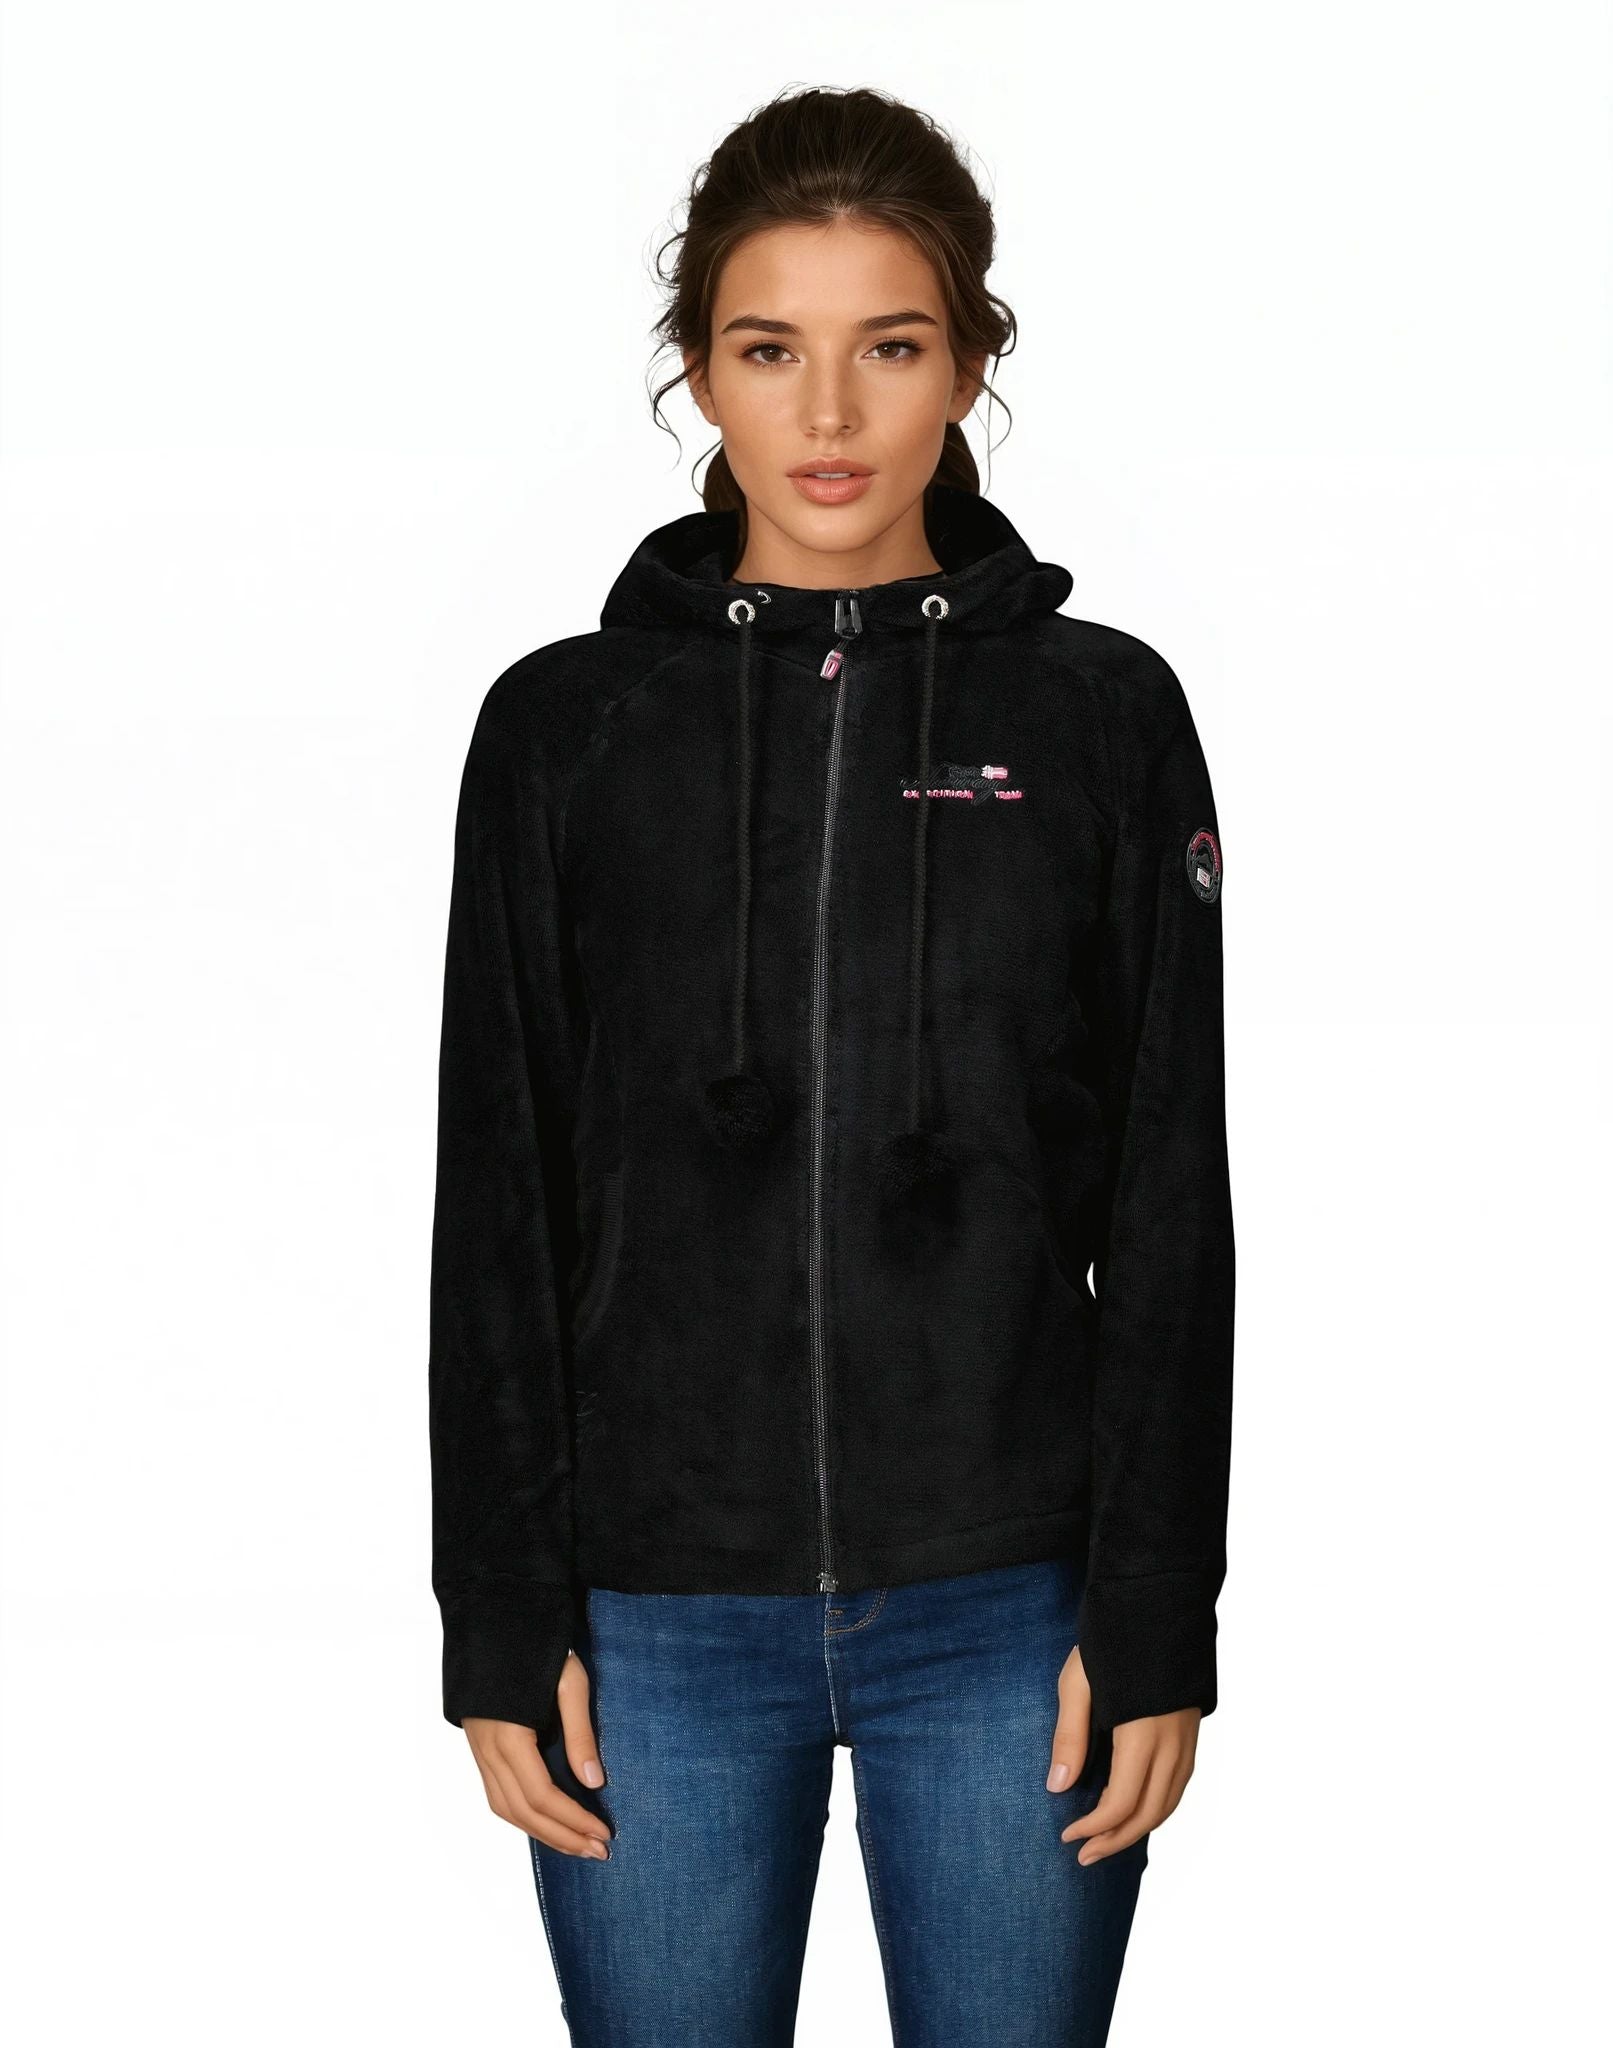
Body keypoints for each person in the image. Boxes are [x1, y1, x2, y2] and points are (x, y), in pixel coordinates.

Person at [428, 84, 1235, 2048]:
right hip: (653, 1616)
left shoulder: (1102, 716)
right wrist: (499, 1608)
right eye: (769, 349)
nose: (831, 412)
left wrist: (1154, 1604)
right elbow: (497, 1187)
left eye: (891, 346)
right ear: (699, 370)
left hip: (1011, 1602)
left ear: (968, 363)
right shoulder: (567, 727)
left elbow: (1169, 1184)